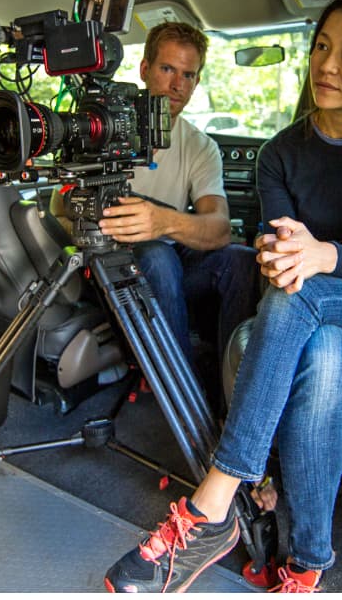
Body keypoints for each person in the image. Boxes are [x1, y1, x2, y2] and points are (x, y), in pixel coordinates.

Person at [103, 0, 342, 593]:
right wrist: (273, 252)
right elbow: (265, 241)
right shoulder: (280, 152)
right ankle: (309, 561)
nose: (326, 65)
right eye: (320, 47)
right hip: (319, 306)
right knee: (324, 350)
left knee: (299, 294)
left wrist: (315, 257)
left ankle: (212, 505)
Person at [50, 21, 259, 402]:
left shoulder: (199, 147)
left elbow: (219, 228)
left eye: (188, 75)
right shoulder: (99, 126)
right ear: (145, 69)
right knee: (157, 256)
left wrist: (163, 220)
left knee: (241, 261)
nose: (176, 84)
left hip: (169, 261)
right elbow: (59, 209)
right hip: (103, 267)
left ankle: (236, 387)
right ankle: (183, 391)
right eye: (167, 69)